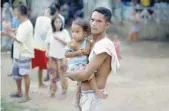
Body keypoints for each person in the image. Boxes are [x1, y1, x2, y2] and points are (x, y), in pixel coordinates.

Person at [67, 7, 120, 111]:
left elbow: (86, 74)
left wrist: (65, 74)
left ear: (107, 25)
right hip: (85, 95)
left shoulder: (104, 46)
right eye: (92, 20)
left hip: (93, 97)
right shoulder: (91, 43)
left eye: (99, 21)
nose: (94, 24)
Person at [65, 18, 108, 110]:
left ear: (85, 33)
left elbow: (87, 51)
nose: (74, 34)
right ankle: (96, 91)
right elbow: (66, 54)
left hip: (82, 66)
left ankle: (77, 100)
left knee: (81, 82)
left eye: (77, 32)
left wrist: (79, 50)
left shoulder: (87, 42)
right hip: (74, 66)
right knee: (89, 74)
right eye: (72, 32)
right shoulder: (71, 43)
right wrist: (77, 52)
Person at [1, 5, 34, 103]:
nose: (14, 13)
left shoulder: (27, 24)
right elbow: (18, 32)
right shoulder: (22, 23)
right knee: (16, 74)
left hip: (24, 53)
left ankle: (26, 95)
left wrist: (8, 33)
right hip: (18, 53)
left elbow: (19, 39)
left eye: (15, 11)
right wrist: (8, 32)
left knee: (25, 74)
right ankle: (19, 92)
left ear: (20, 13)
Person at [45, 15, 71, 99]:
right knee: (53, 75)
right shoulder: (50, 32)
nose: (58, 24)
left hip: (62, 57)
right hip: (52, 57)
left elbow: (68, 44)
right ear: (53, 23)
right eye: (56, 22)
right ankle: (53, 91)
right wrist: (47, 51)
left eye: (60, 22)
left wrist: (59, 39)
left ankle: (64, 91)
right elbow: (47, 43)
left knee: (63, 75)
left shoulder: (65, 32)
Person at [32, 6, 56, 87]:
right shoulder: (49, 21)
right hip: (44, 47)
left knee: (41, 66)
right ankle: (46, 83)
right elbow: (46, 34)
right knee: (48, 65)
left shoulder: (39, 19)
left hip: (36, 45)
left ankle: (41, 82)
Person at [44, 3, 65, 81]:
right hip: (51, 40)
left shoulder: (61, 18)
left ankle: (58, 75)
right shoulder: (50, 18)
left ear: (57, 9)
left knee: (58, 60)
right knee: (50, 60)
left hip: (58, 41)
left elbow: (61, 29)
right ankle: (49, 75)